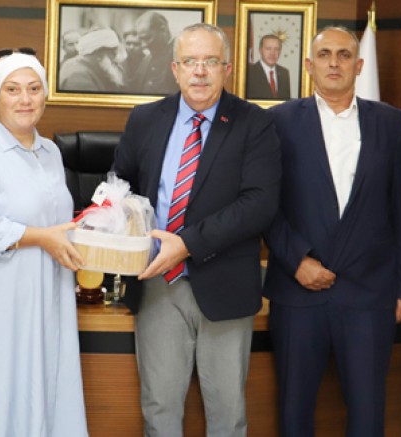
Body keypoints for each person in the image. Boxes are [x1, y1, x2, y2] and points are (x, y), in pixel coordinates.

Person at [112, 23, 280, 436]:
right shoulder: (145, 119)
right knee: (159, 409)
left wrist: (186, 244)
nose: (200, 71)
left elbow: (259, 204)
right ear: (175, 68)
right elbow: (120, 184)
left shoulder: (254, 123)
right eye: (190, 61)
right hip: (157, 284)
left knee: (227, 413)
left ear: (227, 68)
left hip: (225, 284)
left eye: (210, 61)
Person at [262, 27, 401, 436]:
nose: (335, 63)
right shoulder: (277, 122)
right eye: (325, 54)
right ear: (308, 65)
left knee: (367, 413)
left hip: (370, 293)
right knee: (295, 411)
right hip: (297, 291)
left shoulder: (390, 123)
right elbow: (264, 205)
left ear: (359, 65)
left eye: (344, 55)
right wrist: (296, 261)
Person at [0, 48, 88, 436]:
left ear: (45, 95)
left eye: (33, 88)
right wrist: (42, 238)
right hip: (1, 300)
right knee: (6, 393)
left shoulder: (51, 152)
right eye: (12, 89)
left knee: (49, 387)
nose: (25, 99)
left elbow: (57, 221)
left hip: (50, 295)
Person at [60, 28, 124, 93]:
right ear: (99, 52)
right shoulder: (78, 75)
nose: (115, 58)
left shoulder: (76, 64)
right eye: (113, 53)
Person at [133, 11, 180, 95]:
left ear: (163, 29)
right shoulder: (146, 60)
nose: (143, 45)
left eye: (147, 38)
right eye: (141, 39)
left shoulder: (182, 55)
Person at [246, 34, 291, 100]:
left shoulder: (284, 73)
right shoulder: (249, 73)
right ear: (260, 50)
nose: (272, 53)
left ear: (280, 51)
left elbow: (286, 101)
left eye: (276, 49)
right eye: (268, 48)